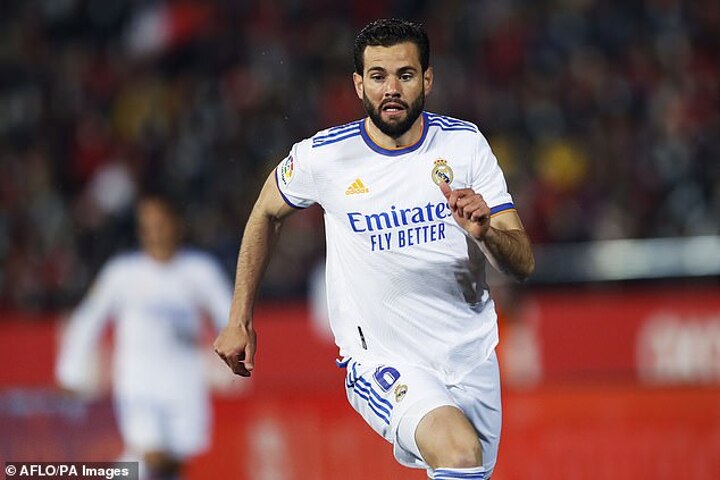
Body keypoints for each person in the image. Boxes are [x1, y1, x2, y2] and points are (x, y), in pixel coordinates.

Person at [214, 18, 534, 480]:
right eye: (378, 76)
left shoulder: (465, 146)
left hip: (471, 358)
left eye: (405, 75)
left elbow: (522, 262)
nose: (392, 89)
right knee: (459, 453)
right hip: (382, 359)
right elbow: (266, 212)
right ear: (358, 84)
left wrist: (486, 233)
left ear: (427, 79)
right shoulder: (324, 157)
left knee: (467, 467)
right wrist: (239, 318)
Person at [56, 195, 233, 480]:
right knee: (150, 454)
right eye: (147, 227)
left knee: (170, 466)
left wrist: (231, 360)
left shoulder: (200, 271)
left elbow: (231, 318)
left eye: (161, 224)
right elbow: (88, 319)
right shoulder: (123, 274)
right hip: (139, 385)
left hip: (184, 385)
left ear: (177, 225)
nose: (155, 233)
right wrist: (70, 372)